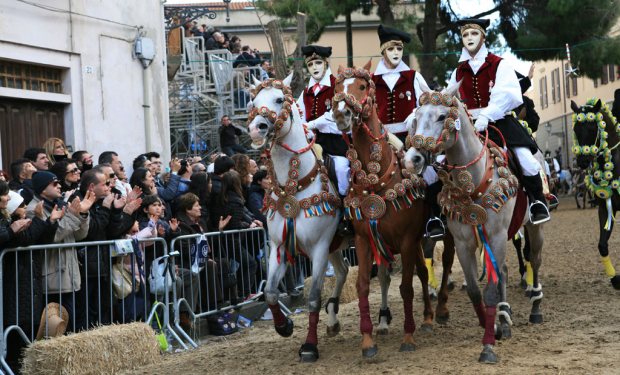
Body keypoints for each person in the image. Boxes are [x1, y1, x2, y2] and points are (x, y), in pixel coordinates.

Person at [449, 18, 550, 224]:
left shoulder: (499, 64)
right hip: (469, 127)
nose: (469, 38)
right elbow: (450, 97)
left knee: (527, 160)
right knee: (441, 164)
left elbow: (508, 94)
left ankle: (537, 203)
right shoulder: (457, 71)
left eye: (474, 34)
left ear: (483, 37)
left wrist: (487, 114)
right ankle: (441, 214)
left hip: (499, 123)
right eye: (465, 35)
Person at [373, 24, 430, 143]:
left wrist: (415, 114)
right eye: (391, 49)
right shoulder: (372, 80)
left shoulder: (413, 76)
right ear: (383, 51)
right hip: (381, 140)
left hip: (409, 139)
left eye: (399, 49)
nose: (396, 53)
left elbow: (428, 104)